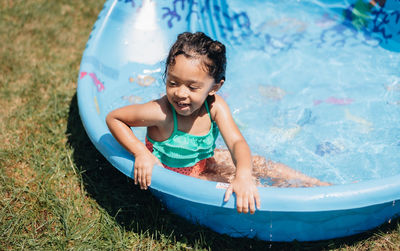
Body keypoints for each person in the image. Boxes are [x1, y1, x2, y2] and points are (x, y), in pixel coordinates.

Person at [106, 32, 329, 214]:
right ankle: (301, 204)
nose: (180, 93)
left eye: (193, 87)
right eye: (173, 82)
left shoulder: (215, 106)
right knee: (242, 187)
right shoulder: (161, 112)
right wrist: (140, 153)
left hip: (204, 161)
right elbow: (114, 118)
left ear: (214, 87)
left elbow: (236, 143)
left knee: (255, 164)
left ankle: (316, 185)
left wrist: (243, 173)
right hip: (183, 176)